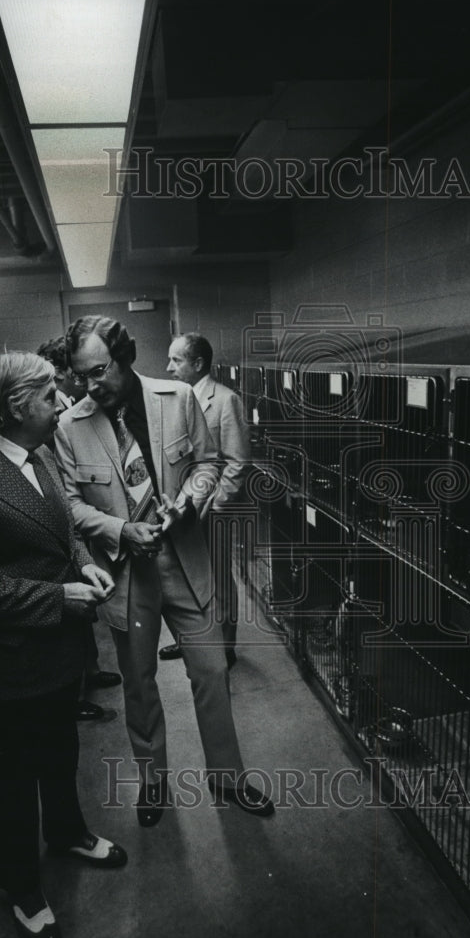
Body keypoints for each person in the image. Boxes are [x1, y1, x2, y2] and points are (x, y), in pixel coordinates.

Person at [0, 351, 127, 938]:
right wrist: (58, 595)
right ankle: (18, 884)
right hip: (17, 657)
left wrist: (87, 564)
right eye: (50, 396)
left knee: (62, 745)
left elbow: (62, 530)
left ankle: (67, 831)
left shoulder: (38, 455)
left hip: (61, 648)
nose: (63, 403)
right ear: (17, 407)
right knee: (16, 770)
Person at [55, 316, 274, 827]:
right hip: (128, 573)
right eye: (82, 376)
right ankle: (153, 782)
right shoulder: (72, 427)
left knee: (212, 672)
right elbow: (68, 505)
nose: (91, 385)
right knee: (139, 684)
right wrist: (117, 528)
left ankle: (227, 776)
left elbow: (208, 464)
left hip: (184, 561)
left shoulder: (176, 399)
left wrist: (189, 502)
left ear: (125, 356)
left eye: (99, 371)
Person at [37, 336, 122, 721]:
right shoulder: (58, 410)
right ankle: (74, 692)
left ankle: (89, 671)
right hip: (63, 513)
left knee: (83, 605)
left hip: (77, 515)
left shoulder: (71, 404)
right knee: (71, 607)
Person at [161, 332, 250, 668]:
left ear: (198, 363)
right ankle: (191, 642)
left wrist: (215, 507)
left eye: (176, 360)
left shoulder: (226, 400)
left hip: (213, 511)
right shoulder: (175, 399)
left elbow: (237, 462)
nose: (168, 367)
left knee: (217, 578)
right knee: (184, 578)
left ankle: (225, 647)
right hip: (182, 509)